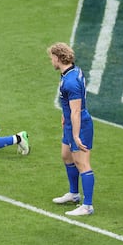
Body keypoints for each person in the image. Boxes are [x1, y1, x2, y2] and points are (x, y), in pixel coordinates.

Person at [48, 42, 96, 217]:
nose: (51, 61)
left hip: (79, 125)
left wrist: (76, 135)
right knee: (66, 156)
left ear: (58, 58)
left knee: (82, 163)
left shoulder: (70, 82)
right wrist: (64, 114)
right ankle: (74, 194)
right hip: (70, 122)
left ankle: (87, 206)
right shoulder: (71, 72)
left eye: (52, 58)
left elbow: (76, 111)